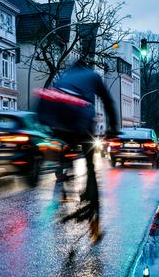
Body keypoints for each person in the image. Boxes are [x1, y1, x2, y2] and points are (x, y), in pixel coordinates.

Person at [50, 57, 119, 242]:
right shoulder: (92, 76)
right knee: (90, 164)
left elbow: (51, 99)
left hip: (58, 119)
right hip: (81, 117)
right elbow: (108, 102)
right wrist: (113, 128)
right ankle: (93, 216)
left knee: (64, 146)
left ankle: (65, 179)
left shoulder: (64, 76)